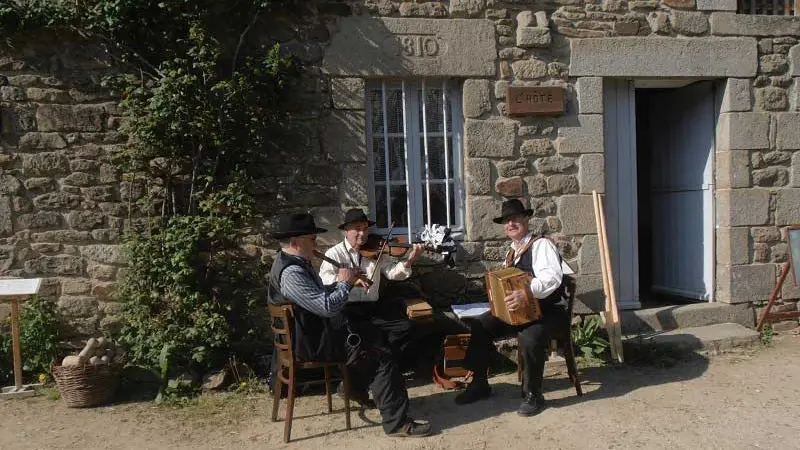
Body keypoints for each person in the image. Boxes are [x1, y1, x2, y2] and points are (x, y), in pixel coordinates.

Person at [267, 211, 431, 438]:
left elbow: (318, 296)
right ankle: (397, 424)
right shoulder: (292, 272)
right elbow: (327, 308)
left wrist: (346, 283)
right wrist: (344, 283)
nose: (316, 243)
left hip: (314, 333)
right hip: (312, 342)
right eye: (312, 239)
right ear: (296, 242)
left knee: (382, 340)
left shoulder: (295, 263)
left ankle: (355, 387)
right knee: (380, 354)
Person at [453, 199, 569, 417]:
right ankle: (479, 383)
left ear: (526, 219)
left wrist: (525, 292)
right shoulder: (511, 252)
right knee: (481, 324)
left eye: (515, 218)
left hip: (547, 312)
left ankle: (533, 395)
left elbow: (552, 279)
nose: (510, 224)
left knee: (531, 337)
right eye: (506, 221)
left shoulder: (541, 245)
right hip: (519, 313)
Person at [318, 208, 426, 400]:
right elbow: (324, 282)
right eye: (357, 229)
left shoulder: (376, 250)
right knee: (369, 342)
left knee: (405, 328)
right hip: (347, 311)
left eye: (365, 229)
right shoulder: (334, 254)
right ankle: (371, 379)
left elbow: (393, 273)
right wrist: (347, 281)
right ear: (346, 231)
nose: (363, 234)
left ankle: (365, 378)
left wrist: (410, 260)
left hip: (373, 308)